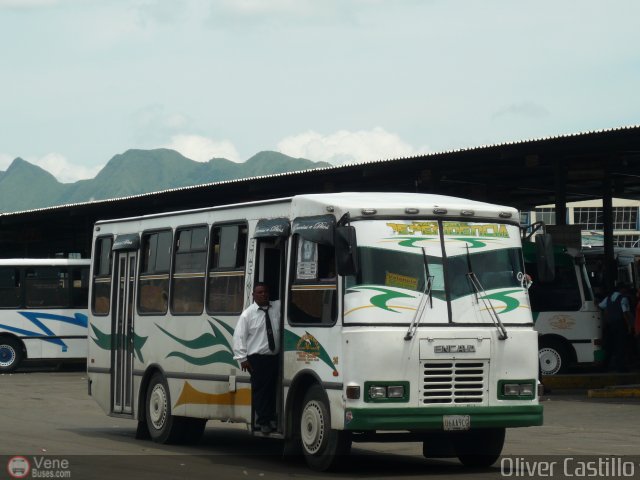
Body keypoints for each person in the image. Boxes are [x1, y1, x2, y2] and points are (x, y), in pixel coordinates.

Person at [232, 282, 280, 434]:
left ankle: (271, 417)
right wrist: (242, 358)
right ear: (253, 295)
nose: (263, 294)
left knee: (273, 389)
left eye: (265, 291)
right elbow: (239, 337)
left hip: (274, 357)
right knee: (261, 391)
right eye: (259, 292)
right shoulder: (248, 314)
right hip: (256, 359)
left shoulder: (277, 307)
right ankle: (263, 421)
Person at [599, 283, 632, 373]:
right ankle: (620, 367)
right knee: (620, 346)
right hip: (620, 324)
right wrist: (629, 325)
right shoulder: (623, 298)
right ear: (622, 289)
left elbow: (600, 306)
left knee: (609, 345)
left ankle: (604, 366)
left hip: (610, 325)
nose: (626, 291)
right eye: (625, 289)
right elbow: (625, 313)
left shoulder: (608, 298)